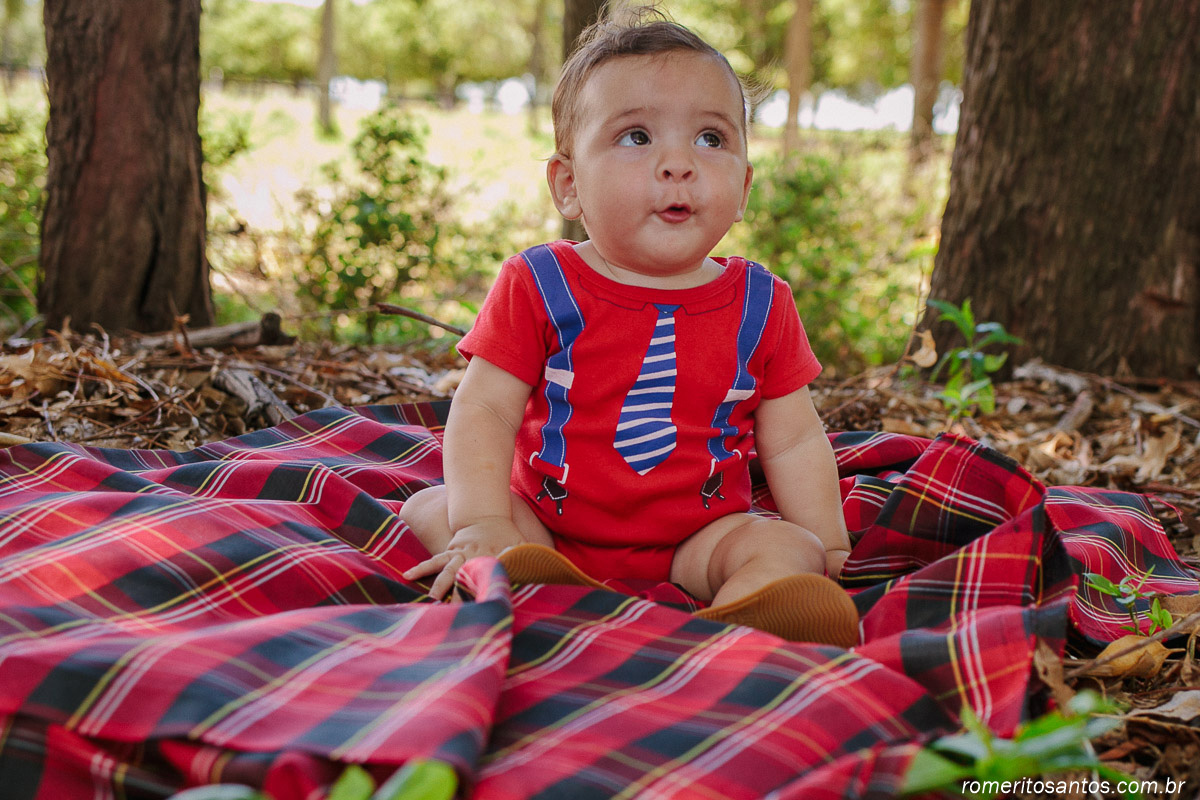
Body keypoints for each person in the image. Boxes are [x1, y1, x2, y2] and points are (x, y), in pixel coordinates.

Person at [400, 10, 858, 646]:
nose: (678, 163)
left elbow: (794, 442)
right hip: (548, 524)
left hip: (698, 540)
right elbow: (485, 411)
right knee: (434, 507)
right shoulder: (540, 282)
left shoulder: (762, 303)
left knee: (786, 544)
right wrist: (480, 517)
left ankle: (748, 610)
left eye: (711, 139)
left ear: (745, 186)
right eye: (638, 138)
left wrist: (827, 544)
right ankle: (518, 568)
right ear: (568, 185)